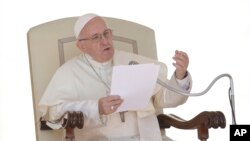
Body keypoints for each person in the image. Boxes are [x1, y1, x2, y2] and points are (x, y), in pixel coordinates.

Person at [38, 13, 192, 141]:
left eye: (106, 34)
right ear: (81, 45)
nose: (105, 41)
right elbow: (53, 113)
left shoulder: (134, 62)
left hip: (146, 137)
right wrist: (96, 107)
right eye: (96, 37)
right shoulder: (68, 72)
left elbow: (165, 99)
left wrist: (180, 75)